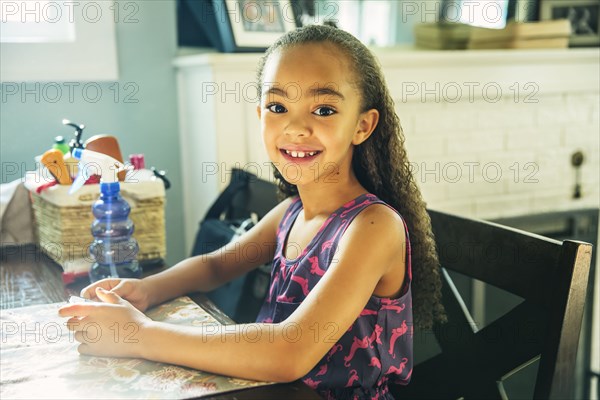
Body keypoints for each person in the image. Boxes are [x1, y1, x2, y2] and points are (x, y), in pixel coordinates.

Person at [59, 24, 445, 399]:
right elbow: (214, 267)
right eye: (278, 107)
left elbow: (288, 353)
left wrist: (139, 335)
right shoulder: (292, 212)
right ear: (260, 115)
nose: (295, 127)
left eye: (323, 109)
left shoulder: (373, 227)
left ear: (363, 126)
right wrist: (144, 290)